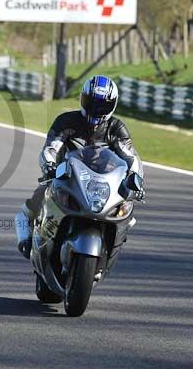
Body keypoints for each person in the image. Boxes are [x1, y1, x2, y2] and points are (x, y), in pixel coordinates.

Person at [15, 75, 145, 258]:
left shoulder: (116, 128)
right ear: (82, 100)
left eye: (102, 106)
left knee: (126, 209)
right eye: (91, 103)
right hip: (66, 177)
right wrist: (49, 166)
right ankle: (26, 235)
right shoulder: (66, 121)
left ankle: (113, 244)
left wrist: (136, 180)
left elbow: (131, 157)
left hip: (102, 183)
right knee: (38, 198)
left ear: (112, 106)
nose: (95, 109)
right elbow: (51, 148)